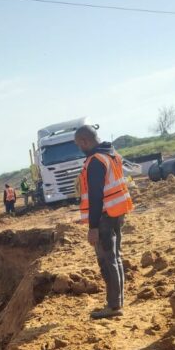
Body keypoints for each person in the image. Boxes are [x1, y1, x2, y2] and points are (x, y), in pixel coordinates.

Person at [73, 125, 134, 320]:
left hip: (104, 217)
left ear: (84, 141)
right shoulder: (111, 154)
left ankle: (114, 306)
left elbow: (96, 197)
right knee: (115, 258)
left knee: (108, 260)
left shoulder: (95, 161)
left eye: (78, 145)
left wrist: (93, 228)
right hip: (117, 212)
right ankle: (116, 301)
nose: (79, 148)